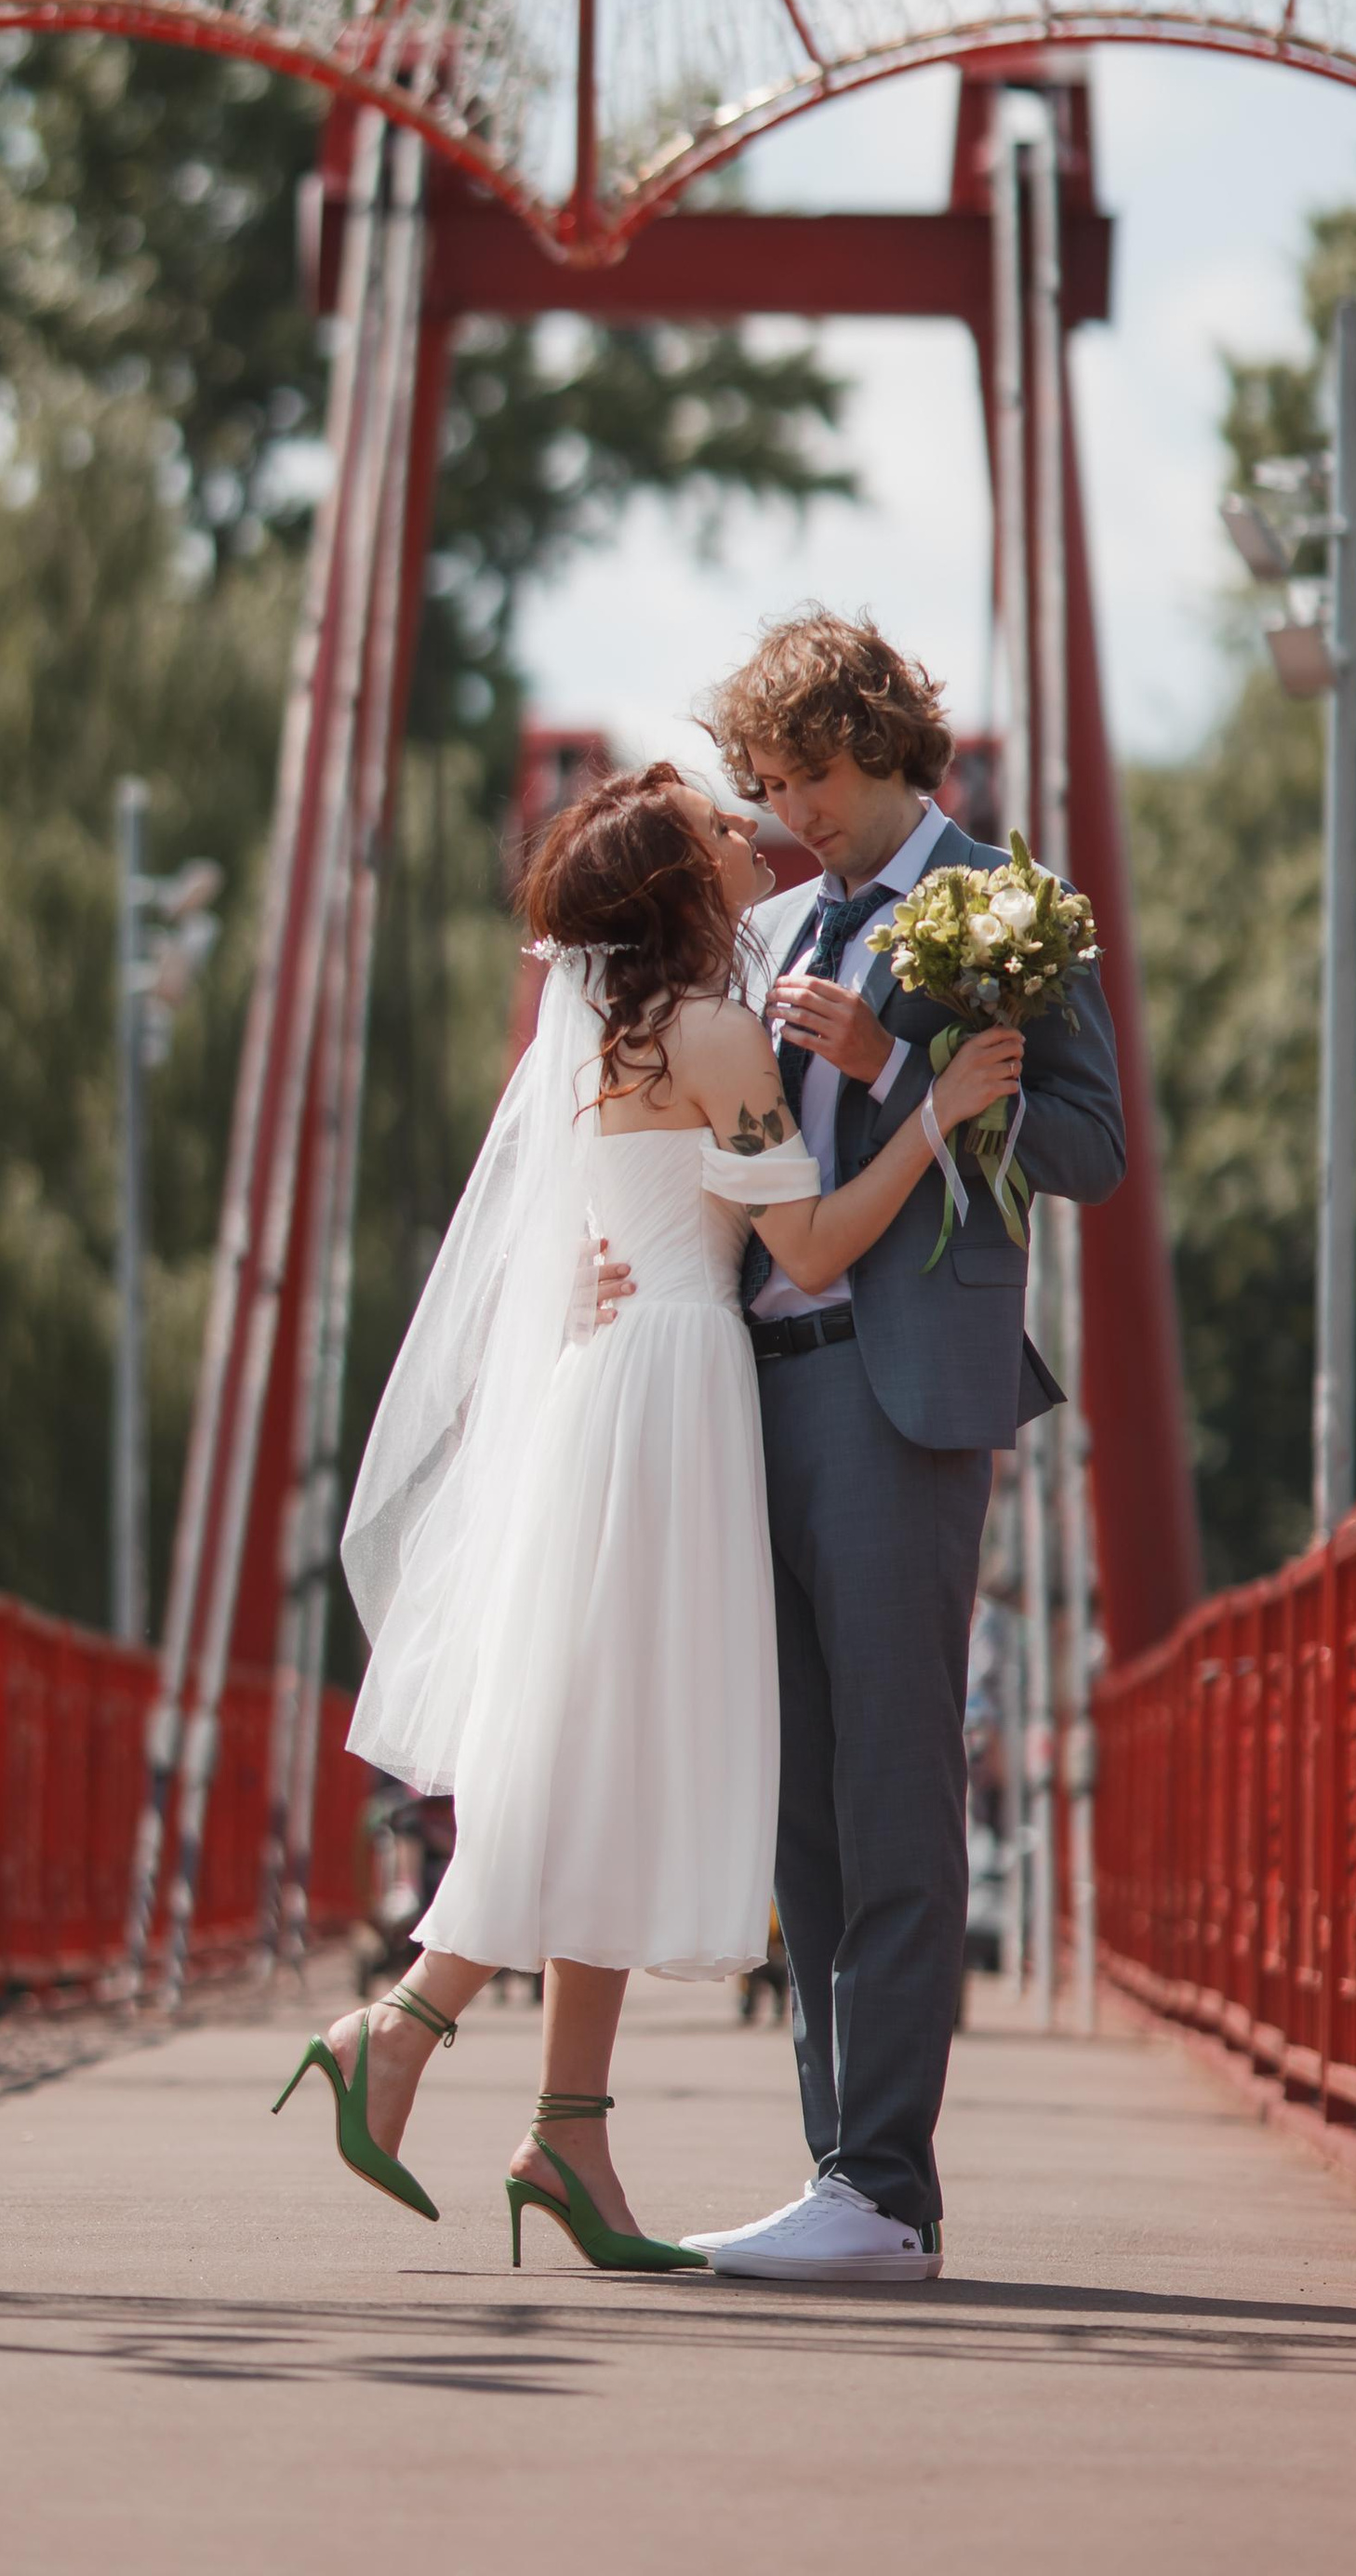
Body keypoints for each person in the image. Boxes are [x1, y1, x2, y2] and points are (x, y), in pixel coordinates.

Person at [273, 760, 1024, 2272]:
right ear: (680, 891)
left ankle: (570, 2131)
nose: (750, 835)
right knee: (595, 1746)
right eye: (711, 831)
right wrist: (932, 1113)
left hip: (614, 1393)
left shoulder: (607, 1040)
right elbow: (806, 1244)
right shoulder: (718, 1028)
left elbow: (582, 1234)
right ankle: (403, 2023)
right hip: (679, 1401)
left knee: (599, 1743)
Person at [673, 609, 1125, 2281]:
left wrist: (921, 1067)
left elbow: (1091, 1148)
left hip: (902, 1387)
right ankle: (835, 2179)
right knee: (803, 1800)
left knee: (894, 1786)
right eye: (763, 787)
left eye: (797, 778)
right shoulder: (780, 916)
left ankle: (891, 2191)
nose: (783, 812)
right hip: (756, 1381)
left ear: (868, 748)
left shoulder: (1005, 909)